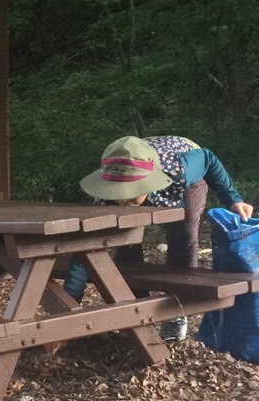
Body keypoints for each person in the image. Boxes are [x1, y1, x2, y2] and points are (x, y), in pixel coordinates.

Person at [64, 135, 253, 340]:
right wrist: (66, 319)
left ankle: (176, 312)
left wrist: (233, 199)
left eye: (131, 195)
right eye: (118, 194)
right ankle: (137, 312)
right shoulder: (105, 195)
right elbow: (84, 253)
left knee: (184, 231)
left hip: (184, 177)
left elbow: (208, 158)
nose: (123, 201)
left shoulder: (179, 170)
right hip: (144, 168)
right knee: (126, 241)